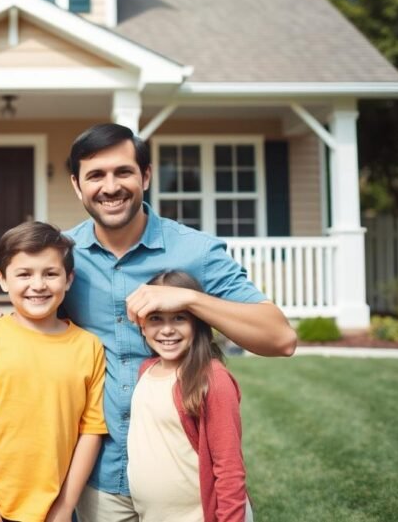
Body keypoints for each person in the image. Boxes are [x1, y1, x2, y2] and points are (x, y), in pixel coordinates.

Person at [62, 123, 296, 522]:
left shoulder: (196, 251)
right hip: (99, 481)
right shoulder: (62, 256)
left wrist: (190, 298)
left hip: (184, 482)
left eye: (123, 172)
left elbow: (280, 338)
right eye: (95, 175)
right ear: (76, 185)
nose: (110, 186)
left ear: (146, 176)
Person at [0, 222, 107, 522]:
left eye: (50, 274)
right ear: (2, 279)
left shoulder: (88, 346)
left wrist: (65, 507)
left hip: (55, 509)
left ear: (68, 279)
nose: (38, 285)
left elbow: (91, 431)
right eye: (24, 274)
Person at [128, 271, 251, 522]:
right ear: (142, 324)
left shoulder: (212, 380)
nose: (167, 330)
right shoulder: (146, 371)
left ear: (197, 322)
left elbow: (229, 469)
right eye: (155, 318)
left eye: (179, 318)